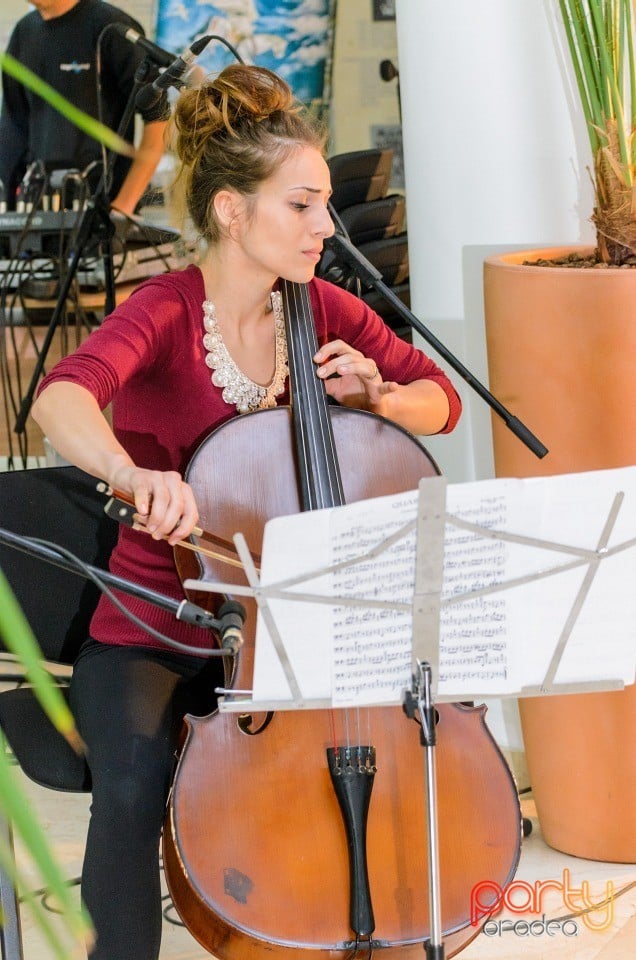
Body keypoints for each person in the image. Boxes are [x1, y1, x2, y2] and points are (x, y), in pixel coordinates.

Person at [31, 63, 462, 960]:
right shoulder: (163, 312)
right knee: (133, 782)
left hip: (299, 634)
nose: (326, 227)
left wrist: (380, 396)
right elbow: (62, 397)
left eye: (328, 205)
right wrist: (126, 470)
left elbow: (441, 403)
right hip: (158, 626)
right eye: (302, 205)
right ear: (233, 211)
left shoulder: (322, 307)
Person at [0, 0, 169, 215]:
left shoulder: (111, 27)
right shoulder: (24, 33)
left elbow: (160, 118)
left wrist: (123, 206)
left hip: (103, 213)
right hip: (37, 215)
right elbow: (13, 131)